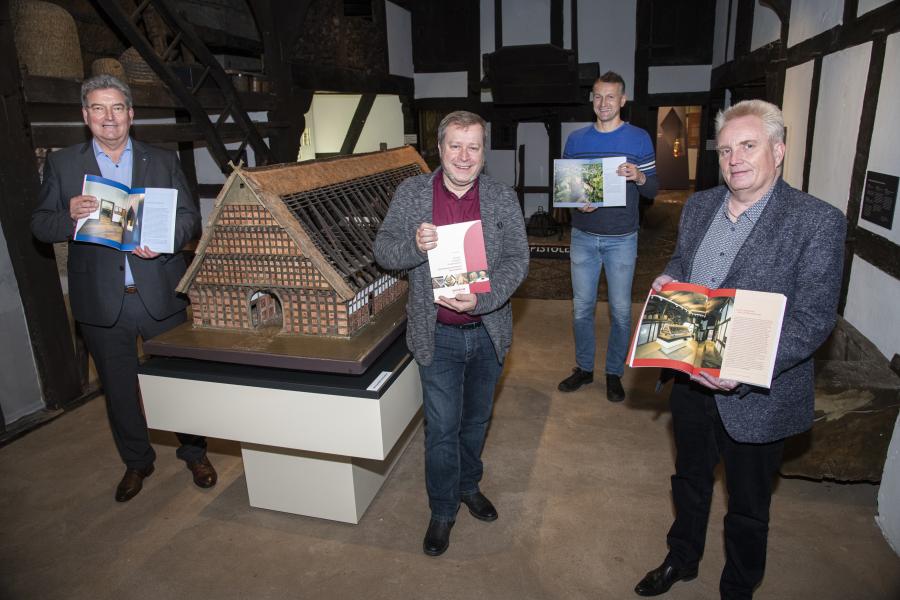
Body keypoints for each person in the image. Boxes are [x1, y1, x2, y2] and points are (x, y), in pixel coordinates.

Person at [634, 99, 846, 599]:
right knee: (689, 481)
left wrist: (745, 367)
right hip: (690, 378)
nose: (735, 159)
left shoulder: (817, 222)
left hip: (756, 395)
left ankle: (738, 588)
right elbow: (684, 261)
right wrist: (670, 278)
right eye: (726, 149)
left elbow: (814, 317)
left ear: (778, 149)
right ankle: (681, 559)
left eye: (748, 146)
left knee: (749, 506)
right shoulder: (701, 204)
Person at [31, 75, 216, 503]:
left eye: (117, 108)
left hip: (158, 294)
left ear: (131, 114)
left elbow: (190, 217)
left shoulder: (162, 160)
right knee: (117, 388)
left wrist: (167, 240)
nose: (108, 117)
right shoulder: (64, 165)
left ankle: (195, 453)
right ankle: (137, 461)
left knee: (179, 382)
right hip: (100, 299)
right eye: (98, 108)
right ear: (85, 116)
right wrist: (68, 216)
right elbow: (40, 225)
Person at [374, 110, 529, 556]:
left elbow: (518, 259)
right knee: (442, 428)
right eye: (455, 146)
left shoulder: (501, 197)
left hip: (487, 331)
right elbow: (384, 250)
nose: (464, 156)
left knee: (477, 420)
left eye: (474, 146)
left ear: (484, 152)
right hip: (436, 333)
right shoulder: (413, 193)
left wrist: (482, 300)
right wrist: (415, 247)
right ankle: (442, 510)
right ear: (439, 149)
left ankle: (468, 485)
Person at [557, 71, 658, 402]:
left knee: (620, 311)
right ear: (592, 99)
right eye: (598, 96)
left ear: (622, 100)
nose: (603, 103)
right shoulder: (576, 140)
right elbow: (567, 190)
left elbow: (654, 190)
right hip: (583, 236)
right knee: (581, 309)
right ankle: (584, 368)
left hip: (621, 237)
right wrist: (576, 205)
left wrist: (640, 176)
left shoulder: (639, 138)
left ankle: (614, 372)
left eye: (610, 97)